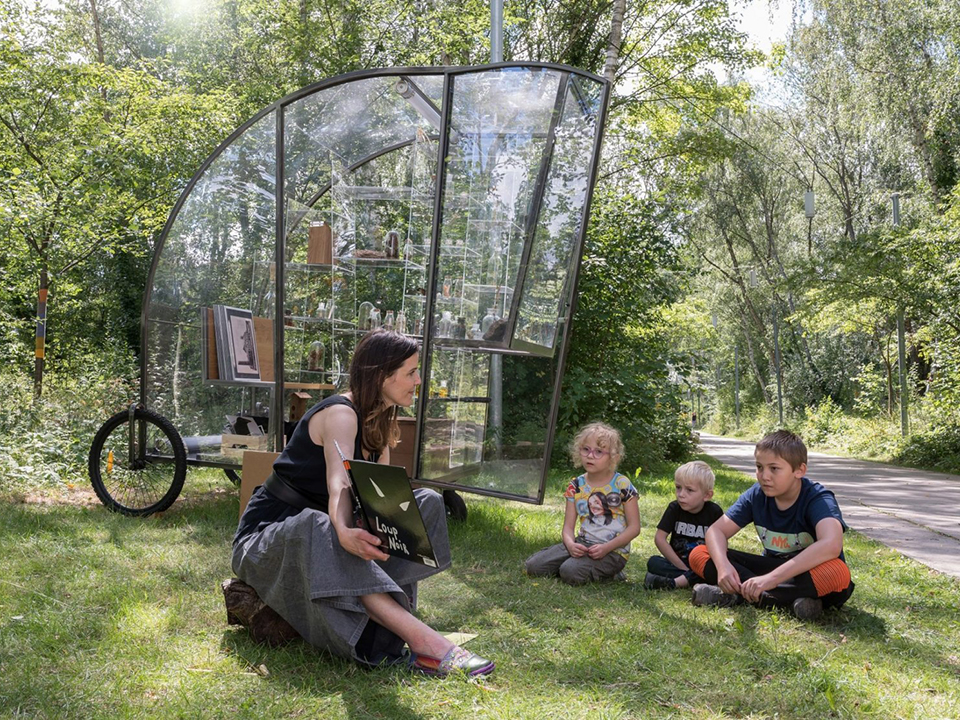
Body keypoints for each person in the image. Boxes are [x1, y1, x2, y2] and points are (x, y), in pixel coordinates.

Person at [232, 330, 493, 676]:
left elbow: (374, 497)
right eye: (411, 373)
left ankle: (384, 624)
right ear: (382, 376)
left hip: (324, 535)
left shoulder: (380, 422)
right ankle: (428, 645)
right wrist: (343, 529)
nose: (419, 380)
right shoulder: (341, 414)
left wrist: (375, 525)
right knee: (320, 525)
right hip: (267, 539)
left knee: (424, 502)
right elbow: (338, 483)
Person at [688, 430, 855, 619]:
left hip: (807, 574)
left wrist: (770, 580)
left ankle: (737, 597)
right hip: (772, 570)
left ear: (799, 470)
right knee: (699, 553)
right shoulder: (756, 495)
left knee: (837, 572)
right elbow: (716, 531)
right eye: (759, 467)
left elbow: (832, 544)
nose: (764, 476)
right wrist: (723, 566)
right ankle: (788, 602)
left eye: (774, 468)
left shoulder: (817, 498)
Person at [524, 422, 640, 585]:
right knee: (533, 567)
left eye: (599, 452)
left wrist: (606, 548)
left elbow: (634, 528)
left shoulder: (622, 484)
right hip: (582, 544)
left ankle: (613, 573)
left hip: (613, 551)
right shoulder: (576, 486)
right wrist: (571, 545)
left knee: (570, 572)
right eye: (586, 449)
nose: (590, 455)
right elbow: (568, 528)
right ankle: (574, 564)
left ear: (613, 457)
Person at [643, 460, 723, 591]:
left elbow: (721, 545)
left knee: (718, 568)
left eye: (689, 490)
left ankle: (674, 583)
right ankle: (691, 579)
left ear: (707, 495)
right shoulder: (674, 508)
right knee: (653, 562)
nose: (681, 494)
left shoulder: (714, 513)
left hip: (702, 562)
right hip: (676, 562)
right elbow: (660, 538)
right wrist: (682, 568)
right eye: (678, 487)